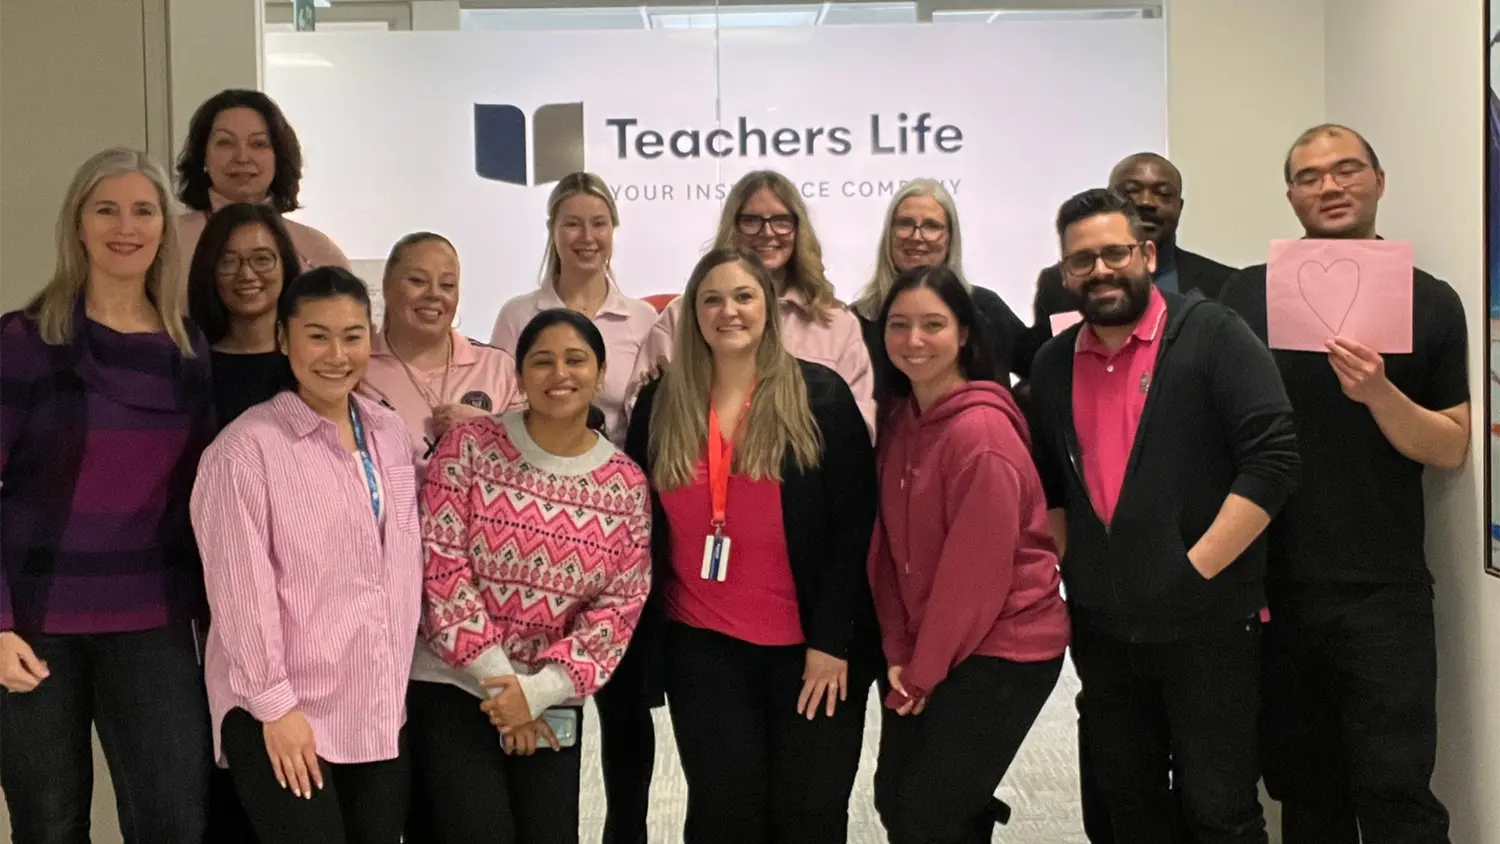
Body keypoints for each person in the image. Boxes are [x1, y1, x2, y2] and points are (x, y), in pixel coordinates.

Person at [1219, 124, 1468, 844]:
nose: (1329, 186)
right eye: (1309, 176)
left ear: (1380, 181)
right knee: (1305, 789)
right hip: (1273, 587)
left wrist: (1381, 394)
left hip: (1383, 591)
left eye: (1347, 170)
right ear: (1291, 194)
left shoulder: (1433, 301)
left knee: (1396, 788)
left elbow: (1451, 445)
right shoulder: (1245, 296)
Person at [1028, 189, 1299, 844]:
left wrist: (1191, 570)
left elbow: (1273, 461)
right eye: (1082, 259)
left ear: (1146, 253)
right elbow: (1051, 487)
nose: (1100, 270)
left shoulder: (1213, 334)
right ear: (1065, 274)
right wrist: (1081, 566)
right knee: (1131, 803)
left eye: (1115, 252)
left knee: (1220, 810)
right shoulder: (1053, 363)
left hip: (1208, 627)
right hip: (1107, 633)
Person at [625, 247, 879, 844]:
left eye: (743, 296)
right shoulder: (661, 405)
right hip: (704, 649)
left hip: (811, 654)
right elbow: (636, 524)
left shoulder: (821, 398)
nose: (728, 311)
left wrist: (831, 641)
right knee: (723, 814)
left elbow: (853, 528)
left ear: (768, 307)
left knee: (808, 815)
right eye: (710, 299)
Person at [0, 148, 215, 843]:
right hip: (35, 625)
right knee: (49, 825)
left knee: (173, 823)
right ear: (80, 225)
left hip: (152, 620)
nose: (126, 227)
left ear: (163, 229)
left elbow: (203, 499)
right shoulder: (27, 340)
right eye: (107, 209)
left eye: (144, 210)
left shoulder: (188, 352)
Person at [190, 267, 422, 844]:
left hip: (374, 704)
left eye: (352, 335)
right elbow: (239, 594)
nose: (337, 354)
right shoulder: (244, 452)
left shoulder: (389, 433)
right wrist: (275, 709)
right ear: (282, 338)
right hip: (283, 709)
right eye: (317, 335)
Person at [409, 308, 653, 844]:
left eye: (575, 360)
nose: (559, 373)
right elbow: (442, 570)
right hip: (453, 684)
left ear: (600, 371)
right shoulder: (467, 450)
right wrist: (504, 687)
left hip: (553, 695)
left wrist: (538, 691)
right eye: (542, 361)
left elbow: (619, 606)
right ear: (517, 378)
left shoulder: (626, 484)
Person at [866, 265, 1069, 844]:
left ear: (963, 336)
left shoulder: (982, 435)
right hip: (932, 643)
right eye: (900, 325)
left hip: (1005, 646)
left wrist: (922, 672)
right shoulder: (903, 421)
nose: (914, 340)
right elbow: (885, 548)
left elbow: (974, 577)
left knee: (926, 815)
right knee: (898, 798)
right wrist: (901, 649)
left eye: (933, 324)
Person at [627, 170, 877, 438]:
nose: (767, 232)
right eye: (751, 221)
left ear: (798, 228)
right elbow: (641, 413)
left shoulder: (836, 323)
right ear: (732, 227)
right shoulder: (681, 317)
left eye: (781, 220)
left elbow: (857, 429)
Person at [1018, 152, 1236, 380]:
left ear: (1179, 207)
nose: (1146, 202)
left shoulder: (1224, 284)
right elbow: (1042, 371)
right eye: (1131, 191)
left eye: (1163, 194)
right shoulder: (1058, 284)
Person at [489, 172, 656, 446]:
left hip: (618, 477)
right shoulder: (517, 316)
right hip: (529, 474)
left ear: (612, 228)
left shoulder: (643, 319)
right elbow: (498, 410)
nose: (587, 237)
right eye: (573, 225)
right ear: (552, 229)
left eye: (599, 224)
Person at [363, 232, 524, 476]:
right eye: (417, 281)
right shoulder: (358, 369)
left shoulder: (498, 369)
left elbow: (533, 464)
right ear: (387, 285)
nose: (434, 294)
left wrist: (487, 429)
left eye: (447, 285)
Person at [851, 179, 1029, 387]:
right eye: (905, 224)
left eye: (931, 226)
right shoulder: (857, 321)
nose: (917, 236)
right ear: (889, 234)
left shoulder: (985, 307)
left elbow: (1043, 368)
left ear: (950, 237)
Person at [175, 89, 349, 274]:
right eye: (225, 143)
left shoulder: (318, 250)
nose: (242, 157)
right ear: (203, 156)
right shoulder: (169, 241)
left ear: (279, 156)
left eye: (258, 144)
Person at [189, 202, 303, 427]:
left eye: (262, 259)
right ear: (209, 271)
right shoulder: (191, 367)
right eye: (228, 261)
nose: (247, 274)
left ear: (285, 265)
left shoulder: (309, 362)